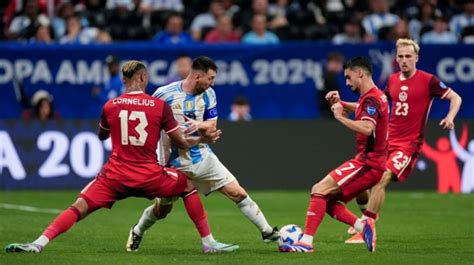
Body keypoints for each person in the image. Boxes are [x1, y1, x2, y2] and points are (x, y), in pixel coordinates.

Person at [5, 60, 235, 253]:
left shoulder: (110, 105)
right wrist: (203, 139)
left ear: (123, 80)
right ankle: (208, 243)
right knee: (187, 187)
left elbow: (101, 136)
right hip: (149, 174)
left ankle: (38, 243)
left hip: (115, 175)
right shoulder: (159, 106)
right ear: (144, 78)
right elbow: (181, 142)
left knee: (78, 207)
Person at [126, 56, 279, 252]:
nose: (212, 83)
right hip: (173, 162)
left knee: (237, 192)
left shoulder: (209, 94)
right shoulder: (164, 94)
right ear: (198, 77)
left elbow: (212, 127)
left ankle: (267, 232)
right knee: (162, 210)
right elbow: (149, 125)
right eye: (211, 78)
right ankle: (137, 230)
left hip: (202, 156)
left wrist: (199, 125)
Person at [337, 39, 462, 249]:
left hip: (408, 145)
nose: (404, 60)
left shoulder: (428, 80)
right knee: (361, 182)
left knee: (382, 177)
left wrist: (450, 117)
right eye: (400, 56)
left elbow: (455, 98)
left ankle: (367, 226)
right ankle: (367, 219)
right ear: (396, 58)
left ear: (416, 58)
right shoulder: (393, 80)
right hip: (385, 141)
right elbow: (377, 104)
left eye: (408, 56)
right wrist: (342, 104)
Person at [279, 56, 389, 253]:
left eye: (348, 77)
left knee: (318, 189)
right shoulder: (376, 95)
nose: (347, 82)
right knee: (327, 201)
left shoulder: (371, 98)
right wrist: (343, 104)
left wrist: (338, 116)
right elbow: (363, 108)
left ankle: (306, 242)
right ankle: (363, 227)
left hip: (368, 164)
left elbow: (367, 127)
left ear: (360, 74)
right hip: (370, 163)